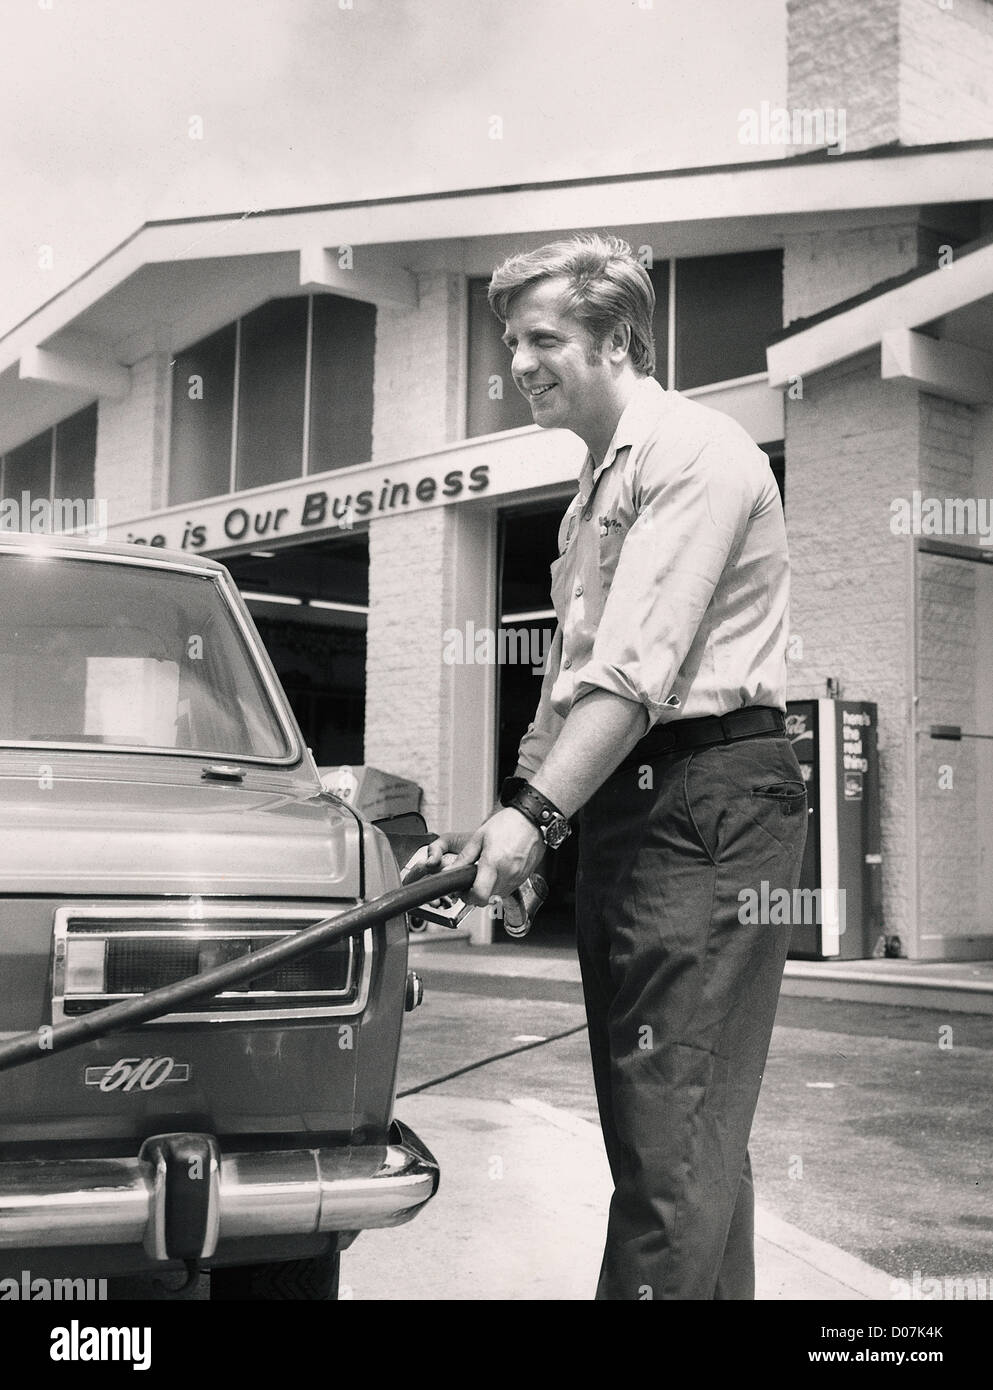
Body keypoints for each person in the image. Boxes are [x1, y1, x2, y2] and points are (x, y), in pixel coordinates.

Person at [412, 233, 808, 1300]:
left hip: (711, 802)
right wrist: (514, 828)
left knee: (674, 1138)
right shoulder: (595, 489)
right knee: (676, 1130)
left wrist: (534, 818)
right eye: (511, 341)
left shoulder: (696, 453)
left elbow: (634, 675)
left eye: (544, 337)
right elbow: (570, 684)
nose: (520, 362)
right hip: (642, 806)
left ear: (618, 337)